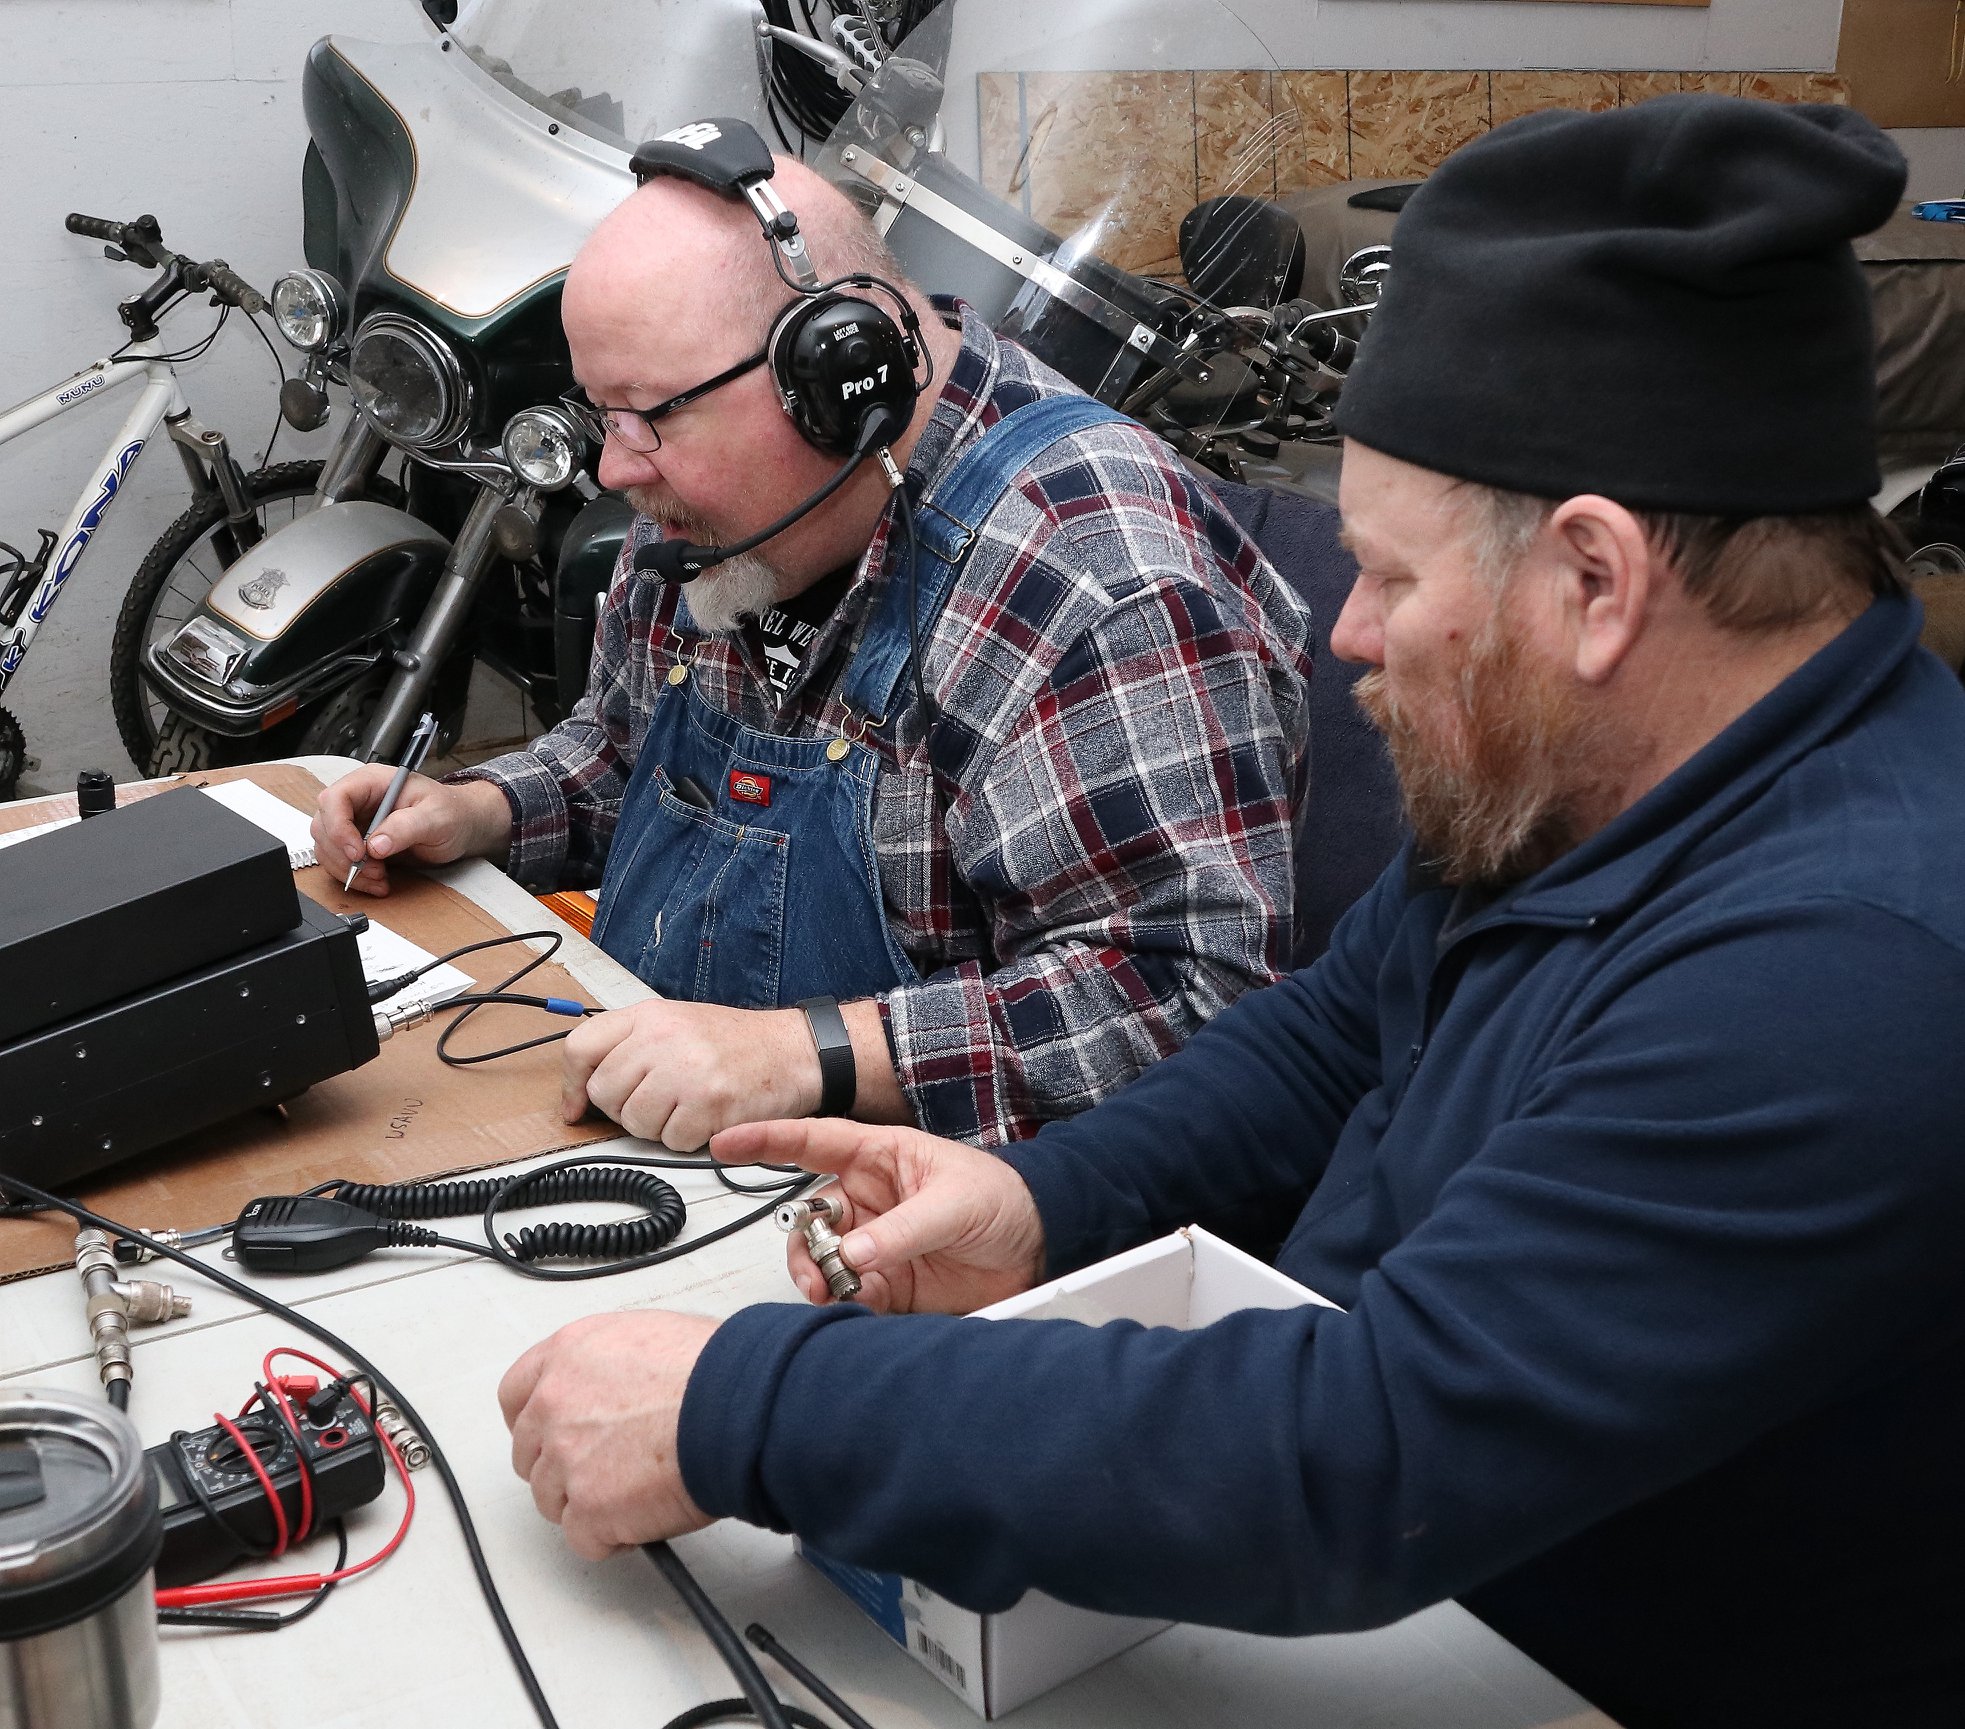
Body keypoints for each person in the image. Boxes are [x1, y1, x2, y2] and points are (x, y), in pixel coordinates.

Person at [496, 98, 1965, 1729]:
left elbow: (1360, 1449)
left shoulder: (1846, 968)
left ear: (1599, 582)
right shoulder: (1618, 768)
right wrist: (1041, 1201)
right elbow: (1333, 1026)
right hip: (1406, 1609)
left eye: (1397, 578)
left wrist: (741, 1405)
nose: (1346, 632)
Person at [312, 138, 1314, 1152]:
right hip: (661, 1144)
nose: (615, 468)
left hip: (941, 1234)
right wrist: (478, 809)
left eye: (649, 417)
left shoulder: (1096, 580)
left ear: (839, 377)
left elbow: (1186, 997)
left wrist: (802, 1059)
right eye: (600, 412)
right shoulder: (715, 502)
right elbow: (624, 749)